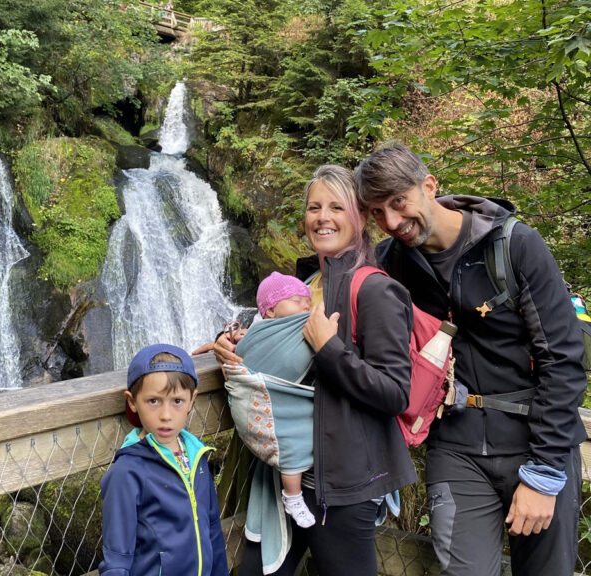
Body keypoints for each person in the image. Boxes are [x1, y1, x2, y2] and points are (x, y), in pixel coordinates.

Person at [354, 144, 587, 576]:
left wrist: (544, 473)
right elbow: (321, 288)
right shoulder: (392, 263)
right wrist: (253, 329)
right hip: (455, 445)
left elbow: (564, 361)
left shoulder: (514, 245)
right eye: (376, 212)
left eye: (398, 203)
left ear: (429, 186)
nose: (391, 222)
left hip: (534, 442)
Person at [214, 165, 417, 576]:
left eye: (336, 206)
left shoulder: (376, 289)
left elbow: (396, 392)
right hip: (286, 475)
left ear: (359, 217)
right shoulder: (305, 282)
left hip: (342, 483)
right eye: (314, 207)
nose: (322, 216)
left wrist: (330, 348)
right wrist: (238, 342)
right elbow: (275, 342)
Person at [98, 343, 229, 576]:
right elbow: (117, 559)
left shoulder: (196, 457)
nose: (166, 415)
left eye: (177, 401)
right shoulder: (127, 472)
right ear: (132, 401)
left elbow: (212, 531)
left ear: (191, 400)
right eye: (153, 401)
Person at [224, 271, 316, 528]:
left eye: (307, 300)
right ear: (271, 312)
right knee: (290, 445)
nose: (305, 305)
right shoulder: (258, 331)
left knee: (298, 436)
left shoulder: (304, 325)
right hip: (261, 402)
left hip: (291, 404)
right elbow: (246, 354)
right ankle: (293, 496)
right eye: (296, 300)